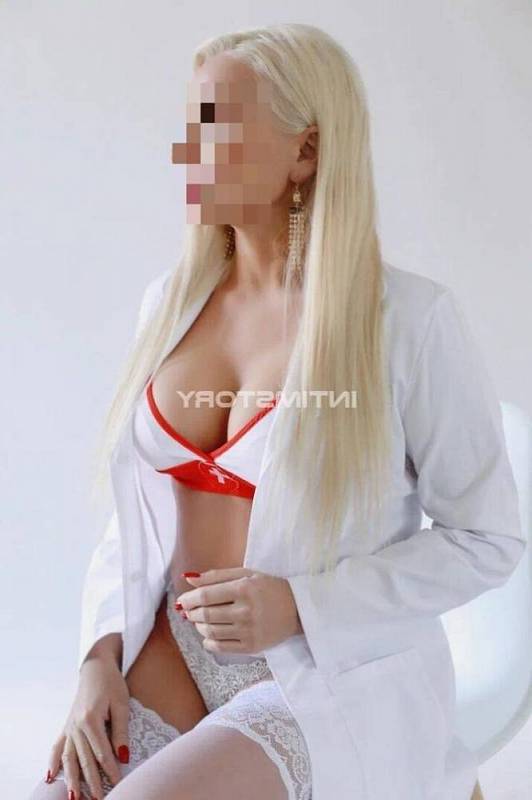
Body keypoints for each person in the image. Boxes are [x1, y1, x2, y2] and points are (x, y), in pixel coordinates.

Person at [28, 23, 525, 800]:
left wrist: (300, 605)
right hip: (169, 657)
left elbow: (487, 539)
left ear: (306, 152)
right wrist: (99, 655)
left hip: (326, 675)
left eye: (217, 125)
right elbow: (136, 523)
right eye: (189, 123)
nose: (186, 150)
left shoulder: (408, 323)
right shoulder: (170, 306)